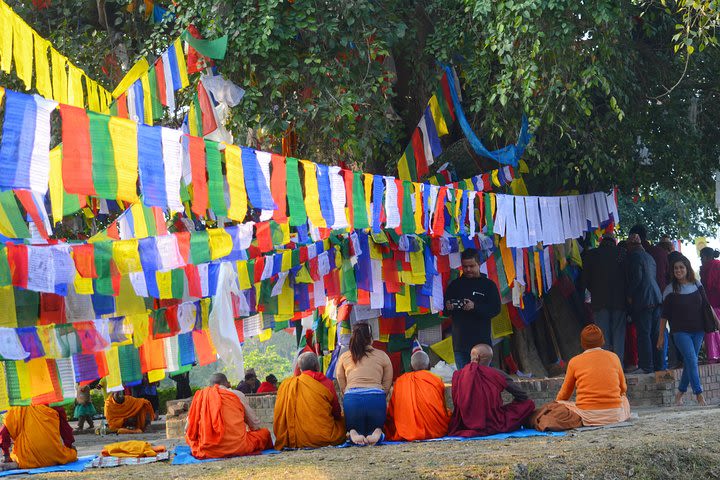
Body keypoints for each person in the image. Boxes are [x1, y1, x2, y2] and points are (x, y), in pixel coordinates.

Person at [448, 344, 535, 437]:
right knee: (528, 404)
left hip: (464, 424)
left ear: (475, 357)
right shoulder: (497, 373)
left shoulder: (459, 375)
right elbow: (522, 395)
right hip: (494, 422)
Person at [554, 324, 631, 426]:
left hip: (587, 416)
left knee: (559, 404)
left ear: (582, 343)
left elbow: (564, 394)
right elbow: (623, 388)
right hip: (615, 415)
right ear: (602, 340)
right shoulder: (614, 357)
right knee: (624, 399)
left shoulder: (574, 361)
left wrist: (556, 403)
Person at [657, 255, 707, 406]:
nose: (678, 270)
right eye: (676, 268)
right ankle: (699, 395)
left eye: (681, 267)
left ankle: (679, 394)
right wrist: (661, 336)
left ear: (687, 268)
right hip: (680, 332)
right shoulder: (669, 289)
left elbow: (706, 305)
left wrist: (717, 323)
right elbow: (664, 316)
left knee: (689, 362)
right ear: (673, 271)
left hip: (699, 330)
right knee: (692, 360)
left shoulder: (697, 284)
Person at [186, 373, 272, 459]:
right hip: (237, 447)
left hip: (207, 449)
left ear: (210, 384)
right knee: (265, 433)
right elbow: (254, 424)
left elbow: (188, 429)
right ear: (226, 383)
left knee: (189, 438)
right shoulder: (236, 394)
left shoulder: (201, 397)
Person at [336, 322, 393, 446]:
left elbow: (341, 381)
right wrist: (381, 396)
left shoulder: (344, 357)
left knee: (353, 426)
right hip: (376, 399)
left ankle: (353, 432)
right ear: (371, 339)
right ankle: (378, 430)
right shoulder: (383, 356)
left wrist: (347, 394)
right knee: (376, 425)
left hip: (352, 400)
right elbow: (387, 384)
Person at [273, 352, 345, 449]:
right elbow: (336, 412)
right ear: (317, 365)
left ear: (300, 368)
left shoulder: (288, 385)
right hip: (323, 437)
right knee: (343, 421)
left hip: (293, 439)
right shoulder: (326, 383)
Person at [444, 248, 501, 369]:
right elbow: (446, 311)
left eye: (471, 266)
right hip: (460, 343)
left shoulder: (488, 285)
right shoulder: (455, 285)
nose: (468, 269)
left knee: (481, 380)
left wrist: (475, 307)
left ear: (479, 264)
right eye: (465, 266)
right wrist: (449, 307)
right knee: (465, 380)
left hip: (481, 343)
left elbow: (495, 309)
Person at [581, 232, 627, 364]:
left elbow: (585, 280)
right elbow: (628, 277)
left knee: (602, 335)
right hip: (619, 301)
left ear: (601, 241)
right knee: (618, 334)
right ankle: (618, 366)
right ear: (614, 241)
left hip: (599, 301)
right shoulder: (622, 253)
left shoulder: (592, 255)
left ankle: (606, 367)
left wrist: (594, 290)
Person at [385, 351, 451, 441]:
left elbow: (392, 411)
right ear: (429, 366)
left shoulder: (400, 381)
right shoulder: (436, 380)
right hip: (436, 429)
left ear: (410, 367)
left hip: (407, 431)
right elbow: (442, 408)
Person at [625, 233, 663, 373]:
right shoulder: (649, 257)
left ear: (631, 246)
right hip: (656, 298)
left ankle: (646, 366)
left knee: (644, 334)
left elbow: (637, 278)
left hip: (643, 300)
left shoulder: (635, 257)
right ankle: (658, 365)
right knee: (655, 334)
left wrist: (629, 294)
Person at [0, 405, 77, 469]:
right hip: (53, 455)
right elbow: (65, 430)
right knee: (73, 453)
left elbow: (3, 432)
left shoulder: (17, 408)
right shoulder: (54, 404)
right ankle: (20, 464)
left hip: (26, 455)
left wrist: (6, 455)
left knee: (15, 456)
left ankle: (19, 464)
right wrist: (69, 446)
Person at [699, 247, 720, 363]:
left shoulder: (706, 268)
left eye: (701, 257)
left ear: (706, 257)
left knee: (711, 330)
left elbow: (706, 286)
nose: (701, 260)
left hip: (711, 303)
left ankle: (713, 356)